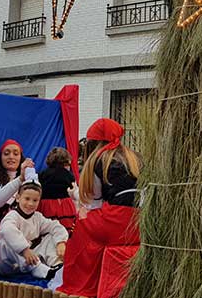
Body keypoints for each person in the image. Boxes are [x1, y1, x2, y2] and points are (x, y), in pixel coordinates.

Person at [58, 118, 141, 298]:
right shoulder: (135, 158)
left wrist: (74, 196)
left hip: (116, 221)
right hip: (140, 223)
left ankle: (83, 283)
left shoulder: (98, 160)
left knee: (81, 227)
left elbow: (93, 202)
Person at [0, 180, 68, 279]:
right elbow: (8, 230)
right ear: (18, 198)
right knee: (7, 242)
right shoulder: (12, 216)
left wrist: (60, 242)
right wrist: (24, 249)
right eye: (27, 199)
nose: (30, 204)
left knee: (49, 237)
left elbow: (55, 226)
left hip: (27, 261)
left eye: (35, 200)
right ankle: (43, 271)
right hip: (7, 264)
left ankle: (56, 265)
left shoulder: (37, 217)